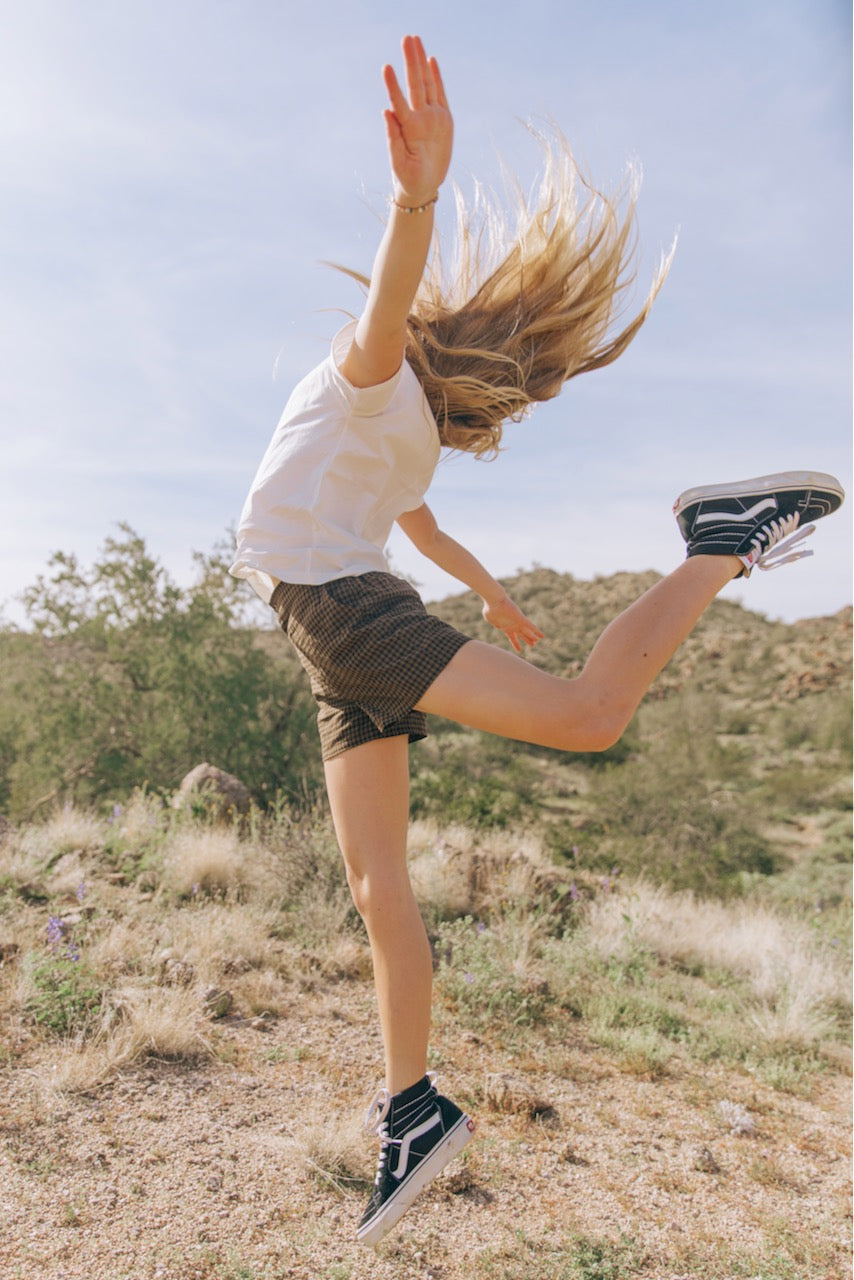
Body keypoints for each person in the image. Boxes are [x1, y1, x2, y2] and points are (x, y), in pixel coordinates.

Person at [230, 35, 844, 1247]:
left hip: (346, 616)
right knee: (375, 881)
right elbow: (422, 527)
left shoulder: (371, 376)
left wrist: (417, 196)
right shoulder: (395, 427)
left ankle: (718, 542)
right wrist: (495, 594)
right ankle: (412, 1105)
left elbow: (387, 294)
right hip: (333, 625)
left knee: (588, 717)